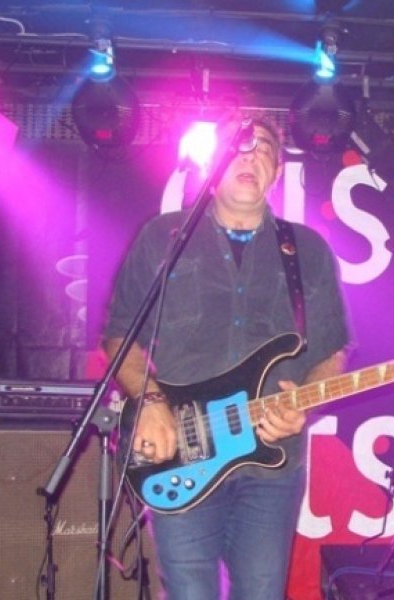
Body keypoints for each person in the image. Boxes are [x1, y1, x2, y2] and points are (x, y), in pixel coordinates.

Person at [102, 119, 350, 599]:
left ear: (277, 171)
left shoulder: (307, 250)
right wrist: (149, 401)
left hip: (271, 468)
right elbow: (119, 337)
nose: (250, 155)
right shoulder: (163, 237)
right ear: (212, 166)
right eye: (238, 146)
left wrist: (303, 402)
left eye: (264, 148)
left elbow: (331, 350)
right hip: (181, 450)